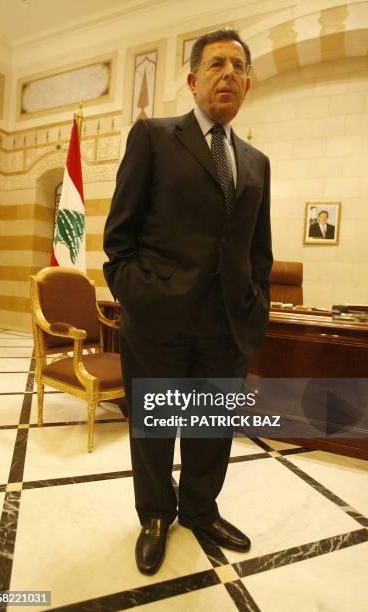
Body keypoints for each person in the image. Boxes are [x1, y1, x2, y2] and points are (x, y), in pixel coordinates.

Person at [103, 27, 272, 575]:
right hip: (158, 319)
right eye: (217, 64)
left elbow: (258, 248)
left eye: (238, 67)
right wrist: (139, 296)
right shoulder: (153, 136)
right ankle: (155, 514)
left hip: (226, 324)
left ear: (248, 83)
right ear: (194, 79)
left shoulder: (256, 162)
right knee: (153, 427)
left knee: (211, 428)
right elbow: (118, 238)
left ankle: (200, 509)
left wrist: (256, 302)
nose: (229, 74)